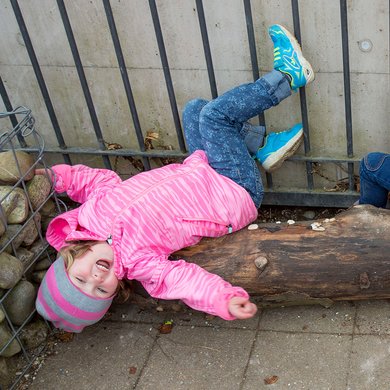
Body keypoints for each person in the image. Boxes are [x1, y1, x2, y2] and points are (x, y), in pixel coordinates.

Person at [35, 24, 315, 333]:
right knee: (215, 118)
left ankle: (261, 146)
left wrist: (55, 178)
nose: (96, 279)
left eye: (80, 279)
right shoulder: (140, 263)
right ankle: (288, 77)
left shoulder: (91, 215)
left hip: (201, 170)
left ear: (68, 259)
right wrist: (223, 299)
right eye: (100, 291)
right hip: (233, 192)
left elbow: (94, 182)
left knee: (195, 110)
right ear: (115, 290)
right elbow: (182, 280)